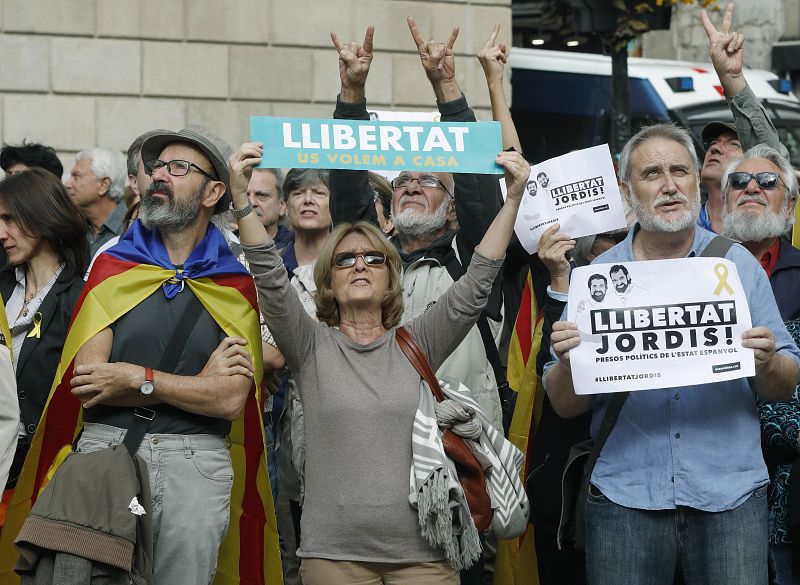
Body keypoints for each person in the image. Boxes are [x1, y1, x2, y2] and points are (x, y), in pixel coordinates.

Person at [230, 137, 528, 585]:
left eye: (373, 257)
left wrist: (514, 199)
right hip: (333, 557)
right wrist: (240, 197)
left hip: (425, 556)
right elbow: (270, 279)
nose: (360, 265)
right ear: (328, 278)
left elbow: (478, 281)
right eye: (346, 259)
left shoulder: (419, 341)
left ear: (392, 274)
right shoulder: (310, 347)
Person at [0, 126, 281, 585]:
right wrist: (190, 385)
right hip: (106, 453)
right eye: (155, 168)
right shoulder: (113, 267)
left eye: (178, 168)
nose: (159, 177)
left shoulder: (235, 283)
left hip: (196, 464)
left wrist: (135, 378)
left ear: (214, 191)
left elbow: (230, 400)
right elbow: (91, 383)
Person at [544, 122, 800, 585]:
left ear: (696, 179)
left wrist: (766, 361)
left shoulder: (736, 265)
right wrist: (567, 362)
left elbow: (785, 384)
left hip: (731, 496)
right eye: (652, 173)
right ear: (627, 190)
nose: (669, 185)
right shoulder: (596, 279)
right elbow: (565, 404)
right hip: (626, 497)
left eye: (680, 170)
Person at [329, 21, 505, 433]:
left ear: (453, 210)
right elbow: (349, 196)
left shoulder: (471, 256)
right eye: (402, 181)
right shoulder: (370, 258)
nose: (410, 186)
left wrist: (446, 87)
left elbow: (478, 185)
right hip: (376, 436)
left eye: (428, 181)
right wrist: (351, 96)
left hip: (461, 446)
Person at [721, 145, 800, 584]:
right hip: (710, 482)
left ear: (789, 205)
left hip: (787, 484)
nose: (752, 187)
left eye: (768, 182)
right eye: (739, 181)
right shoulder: (684, 270)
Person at [0, 169, 86, 498]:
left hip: (46, 469)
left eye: (10, 218)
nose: (2, 233)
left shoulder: (79, 299)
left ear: (41, 215)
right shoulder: (3, 288)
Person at [697, 3, 790, 234]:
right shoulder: (680, 226)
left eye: (733, 144)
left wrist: (731, 78)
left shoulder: (765, 228)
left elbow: (766, 149)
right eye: (713, 144)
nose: (716, 149)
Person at [64, 147, 128, 259]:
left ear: (104, 185)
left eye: (76, 176)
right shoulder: (74, 229)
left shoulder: (132, 230)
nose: (68, 184)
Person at [247, 167, 294, 250]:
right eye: (245, 195)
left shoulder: (296, 248)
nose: (252, 202)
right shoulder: (225, 244)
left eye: (261, 195)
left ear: (282, 205)